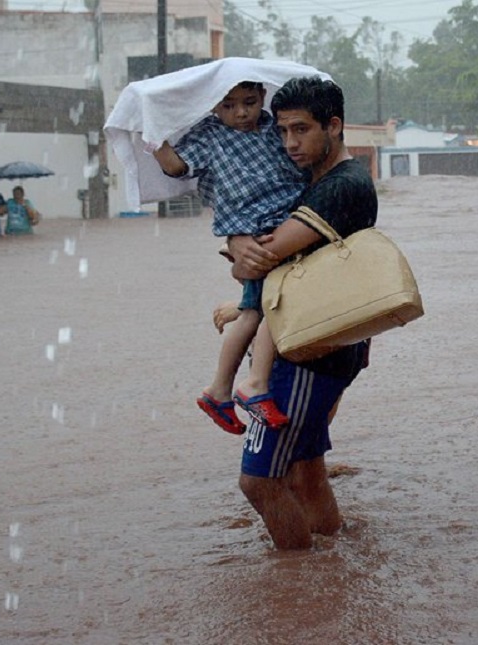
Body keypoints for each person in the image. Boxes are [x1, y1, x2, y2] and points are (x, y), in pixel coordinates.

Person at [226, 77, 377, 550]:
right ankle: (331, 564)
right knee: (304, 470)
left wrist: (237, 245)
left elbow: (264, 255)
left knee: (259, 481)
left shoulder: (341, 187)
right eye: (283, 131)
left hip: (308, 354)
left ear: (334, 126)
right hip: (322, 342)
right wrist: (241, 248)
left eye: (301, 130)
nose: (290, 143)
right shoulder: (317, 180)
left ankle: (297, 581)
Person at [151, 80, 306, 435]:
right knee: (270, 308)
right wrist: (154, 139)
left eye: (249, 103)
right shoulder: (208, 136)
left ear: (262, 99)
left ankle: (221, 390)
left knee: (254, 311)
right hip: (257, 234)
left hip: (282, 224)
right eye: (228, 106)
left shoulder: (272, 128)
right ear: (211, 107)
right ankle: (252, 384)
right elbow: (176, 166)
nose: (240, 113)